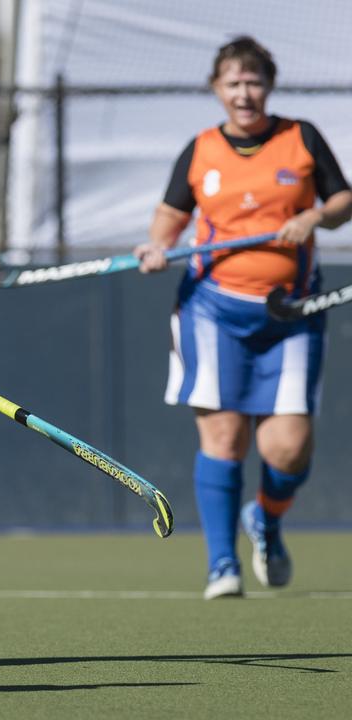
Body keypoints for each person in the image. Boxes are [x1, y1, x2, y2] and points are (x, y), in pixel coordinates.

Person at [135, 36, 352, 600]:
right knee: (224, 438)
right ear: (216, 89)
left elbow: (342, 201)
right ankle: (222, 564)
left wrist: (312, 217)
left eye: (253, 82)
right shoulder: (201, 149)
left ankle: (268, 519)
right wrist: (155, 249)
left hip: (292, 313)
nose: (244, 93)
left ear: (268, 86)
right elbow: (169, 218)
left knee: (287, 450)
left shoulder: (300, 137)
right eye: (233, 83)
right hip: (212, 311)